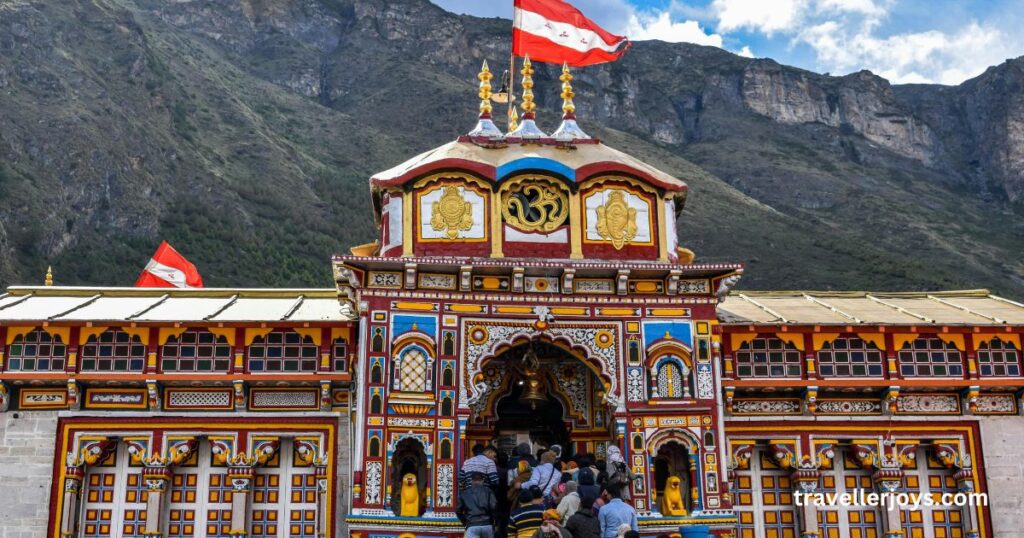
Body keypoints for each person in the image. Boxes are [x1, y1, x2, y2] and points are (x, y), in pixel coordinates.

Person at [457, 472, 496, 538]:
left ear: (471, 481)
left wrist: (466, 522)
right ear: (483, 480)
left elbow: (458, 511)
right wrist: (494, 522)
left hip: (472, 525)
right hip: (487, 524)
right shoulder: (489, 491)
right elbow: (494, 507)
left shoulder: (464, 493)